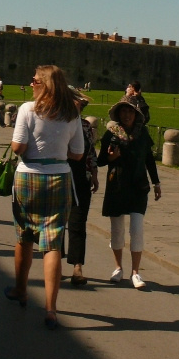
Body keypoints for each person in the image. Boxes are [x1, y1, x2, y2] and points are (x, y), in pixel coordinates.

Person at [6, 65, 84, 330]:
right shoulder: (71, 112)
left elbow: (18, 147)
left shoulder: (28, 109)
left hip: (29, 175)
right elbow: (78, 153)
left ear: (45, 84)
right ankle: (51, 308)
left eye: (35, 80)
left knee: (25, 234)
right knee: (53, 241)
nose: (31, 83)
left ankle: (20, 289)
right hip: (59, 176)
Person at [97, 101, 161, 290]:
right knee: (117, 230)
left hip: (138, 186)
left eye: (130, 112)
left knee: (137, 229)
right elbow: (101, 160)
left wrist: (156, 182)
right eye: (123, 112)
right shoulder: (112, 133)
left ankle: (135, 271)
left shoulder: (143, 134)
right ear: (118, 115)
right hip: (117, 185)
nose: (126, 115)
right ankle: (118, 268)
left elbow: (149, 159)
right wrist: (111, 157)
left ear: (136, 115)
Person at [66, 97, 99, 286]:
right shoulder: (57, 123)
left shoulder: (85, 126)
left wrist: (94, 173)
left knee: (78, 222)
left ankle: (77, 266)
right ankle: (53, 260)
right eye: (74, 102)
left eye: (79, 104)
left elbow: (91, 152)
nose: (77, 105)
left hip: (82, 178)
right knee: (56, 223)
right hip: (59, 177)